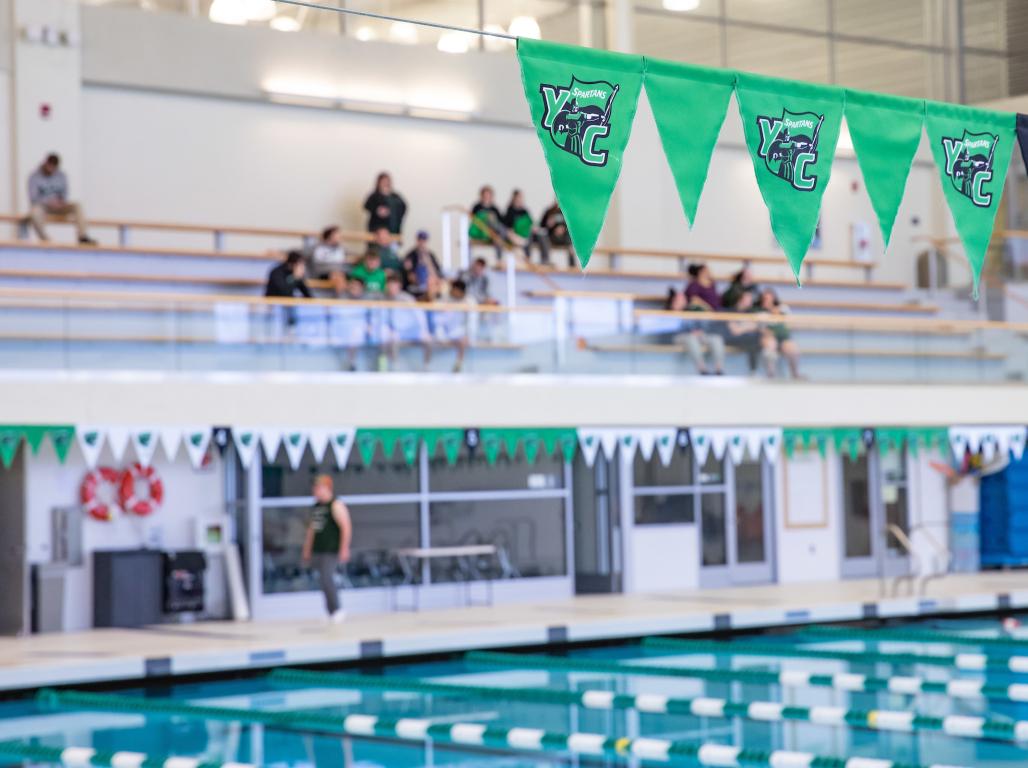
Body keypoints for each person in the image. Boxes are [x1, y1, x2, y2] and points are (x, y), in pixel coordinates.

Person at [301, 475, 352, 623]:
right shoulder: (317, 507)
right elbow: (313, 530)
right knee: (322, 581)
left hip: (332, 549)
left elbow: (346, 527)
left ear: (327, 488)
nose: (315, 491)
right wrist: (307, 548)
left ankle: (337, 609)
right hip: (319, 548)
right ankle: (330, 611)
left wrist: (344, 548)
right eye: (314, 488)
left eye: (318, 488)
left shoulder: (336, 505)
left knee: (327, 578)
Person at [27, 154, 96, 245]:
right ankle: (45, 239)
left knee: (77, 205)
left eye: (53, 167)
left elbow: (65, 193)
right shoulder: (34, 176)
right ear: (45, 163)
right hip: (43, 207)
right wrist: (48, 202)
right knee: (35, 212)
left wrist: (60, 201)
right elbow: (33, 198)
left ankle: (82, 236)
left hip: (59, 206)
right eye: (49, 166)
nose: (51, 169)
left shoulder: (61, 175)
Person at [666, 288, 724, 376]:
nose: (682, 300)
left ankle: (719, 369)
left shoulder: (692, 309)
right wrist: (676, 309)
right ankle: (702, 369)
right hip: (680, 337)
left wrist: (699, 331)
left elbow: (705, 319)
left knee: (716, 338)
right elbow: (671, 329)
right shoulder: (669, 312)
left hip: (697, 335)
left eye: (683, 298)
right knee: (691, 338)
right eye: (679, 299)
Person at [724, 290, 777, 376]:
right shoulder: (731, 311)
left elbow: (756, 327)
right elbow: (735, 331)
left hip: (751, 339)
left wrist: (746, 327)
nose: (751, 301)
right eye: (748, 299)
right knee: (755, 340)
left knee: (766, 339)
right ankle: (758, 370)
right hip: (734, 339)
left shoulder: (750, 312)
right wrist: (749, 327)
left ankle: (768, 370)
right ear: (740, 299)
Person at [470, 185, 524, 263]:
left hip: (494, 233)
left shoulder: (494, 208)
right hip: (482, 231)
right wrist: (486, 216)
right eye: (485, 195)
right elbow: (473, 220)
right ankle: (510, 235)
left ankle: (499, 259)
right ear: (482, 195)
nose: (487, 197)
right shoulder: (477, 207)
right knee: (490, 220)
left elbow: (501, 221)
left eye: (489, 195)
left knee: (499, 236)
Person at [758, 288, 801, 379]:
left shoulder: (783, 308)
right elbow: (762, 329)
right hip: (769, 338)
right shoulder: (761, 312)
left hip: (783, 338)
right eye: (765, 299)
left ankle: (795, 374)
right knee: (770, 345)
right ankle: (771, 374)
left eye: (769, 298)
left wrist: (778, 314)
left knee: (793, 349)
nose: (768, 301)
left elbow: (790, 324)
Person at [431, 279, 471, 373]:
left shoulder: (467, 301)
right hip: (442, 329)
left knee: (463, 340)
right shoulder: (444, 299)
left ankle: (458, 364)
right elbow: (437, 316)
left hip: (456, 330)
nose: (455, 292)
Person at [504, 189, 550, 265]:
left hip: (528, 234)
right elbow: (508, 227)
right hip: (518, 236)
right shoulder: (510, 211)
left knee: (542, 235)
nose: (520, 199)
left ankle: (545, 260)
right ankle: (528, 257)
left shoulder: (525, 211)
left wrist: (535, 228)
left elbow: (531, 223)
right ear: (514, 198)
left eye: (521, 197)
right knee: (529, 234)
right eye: (519, 197)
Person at [403, 230, 443, 297]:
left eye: (424, 240)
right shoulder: (411, 255)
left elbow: (437, 269)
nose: (422, 242)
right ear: (417, 240)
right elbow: (409, 273)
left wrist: (438, 278)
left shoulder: (430, 254)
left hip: (433, 281)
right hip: (420, 282)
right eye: (420, 240)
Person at [540, 201, 575, 268]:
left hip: (564, 238)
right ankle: (546, 260)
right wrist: (549, 225)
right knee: (543, 235)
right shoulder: (549, 211)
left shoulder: (566, 212)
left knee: (569, 235)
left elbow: (571, 226)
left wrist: (563, 229)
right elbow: (542, 226)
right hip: (552, 237)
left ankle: (572, 266)